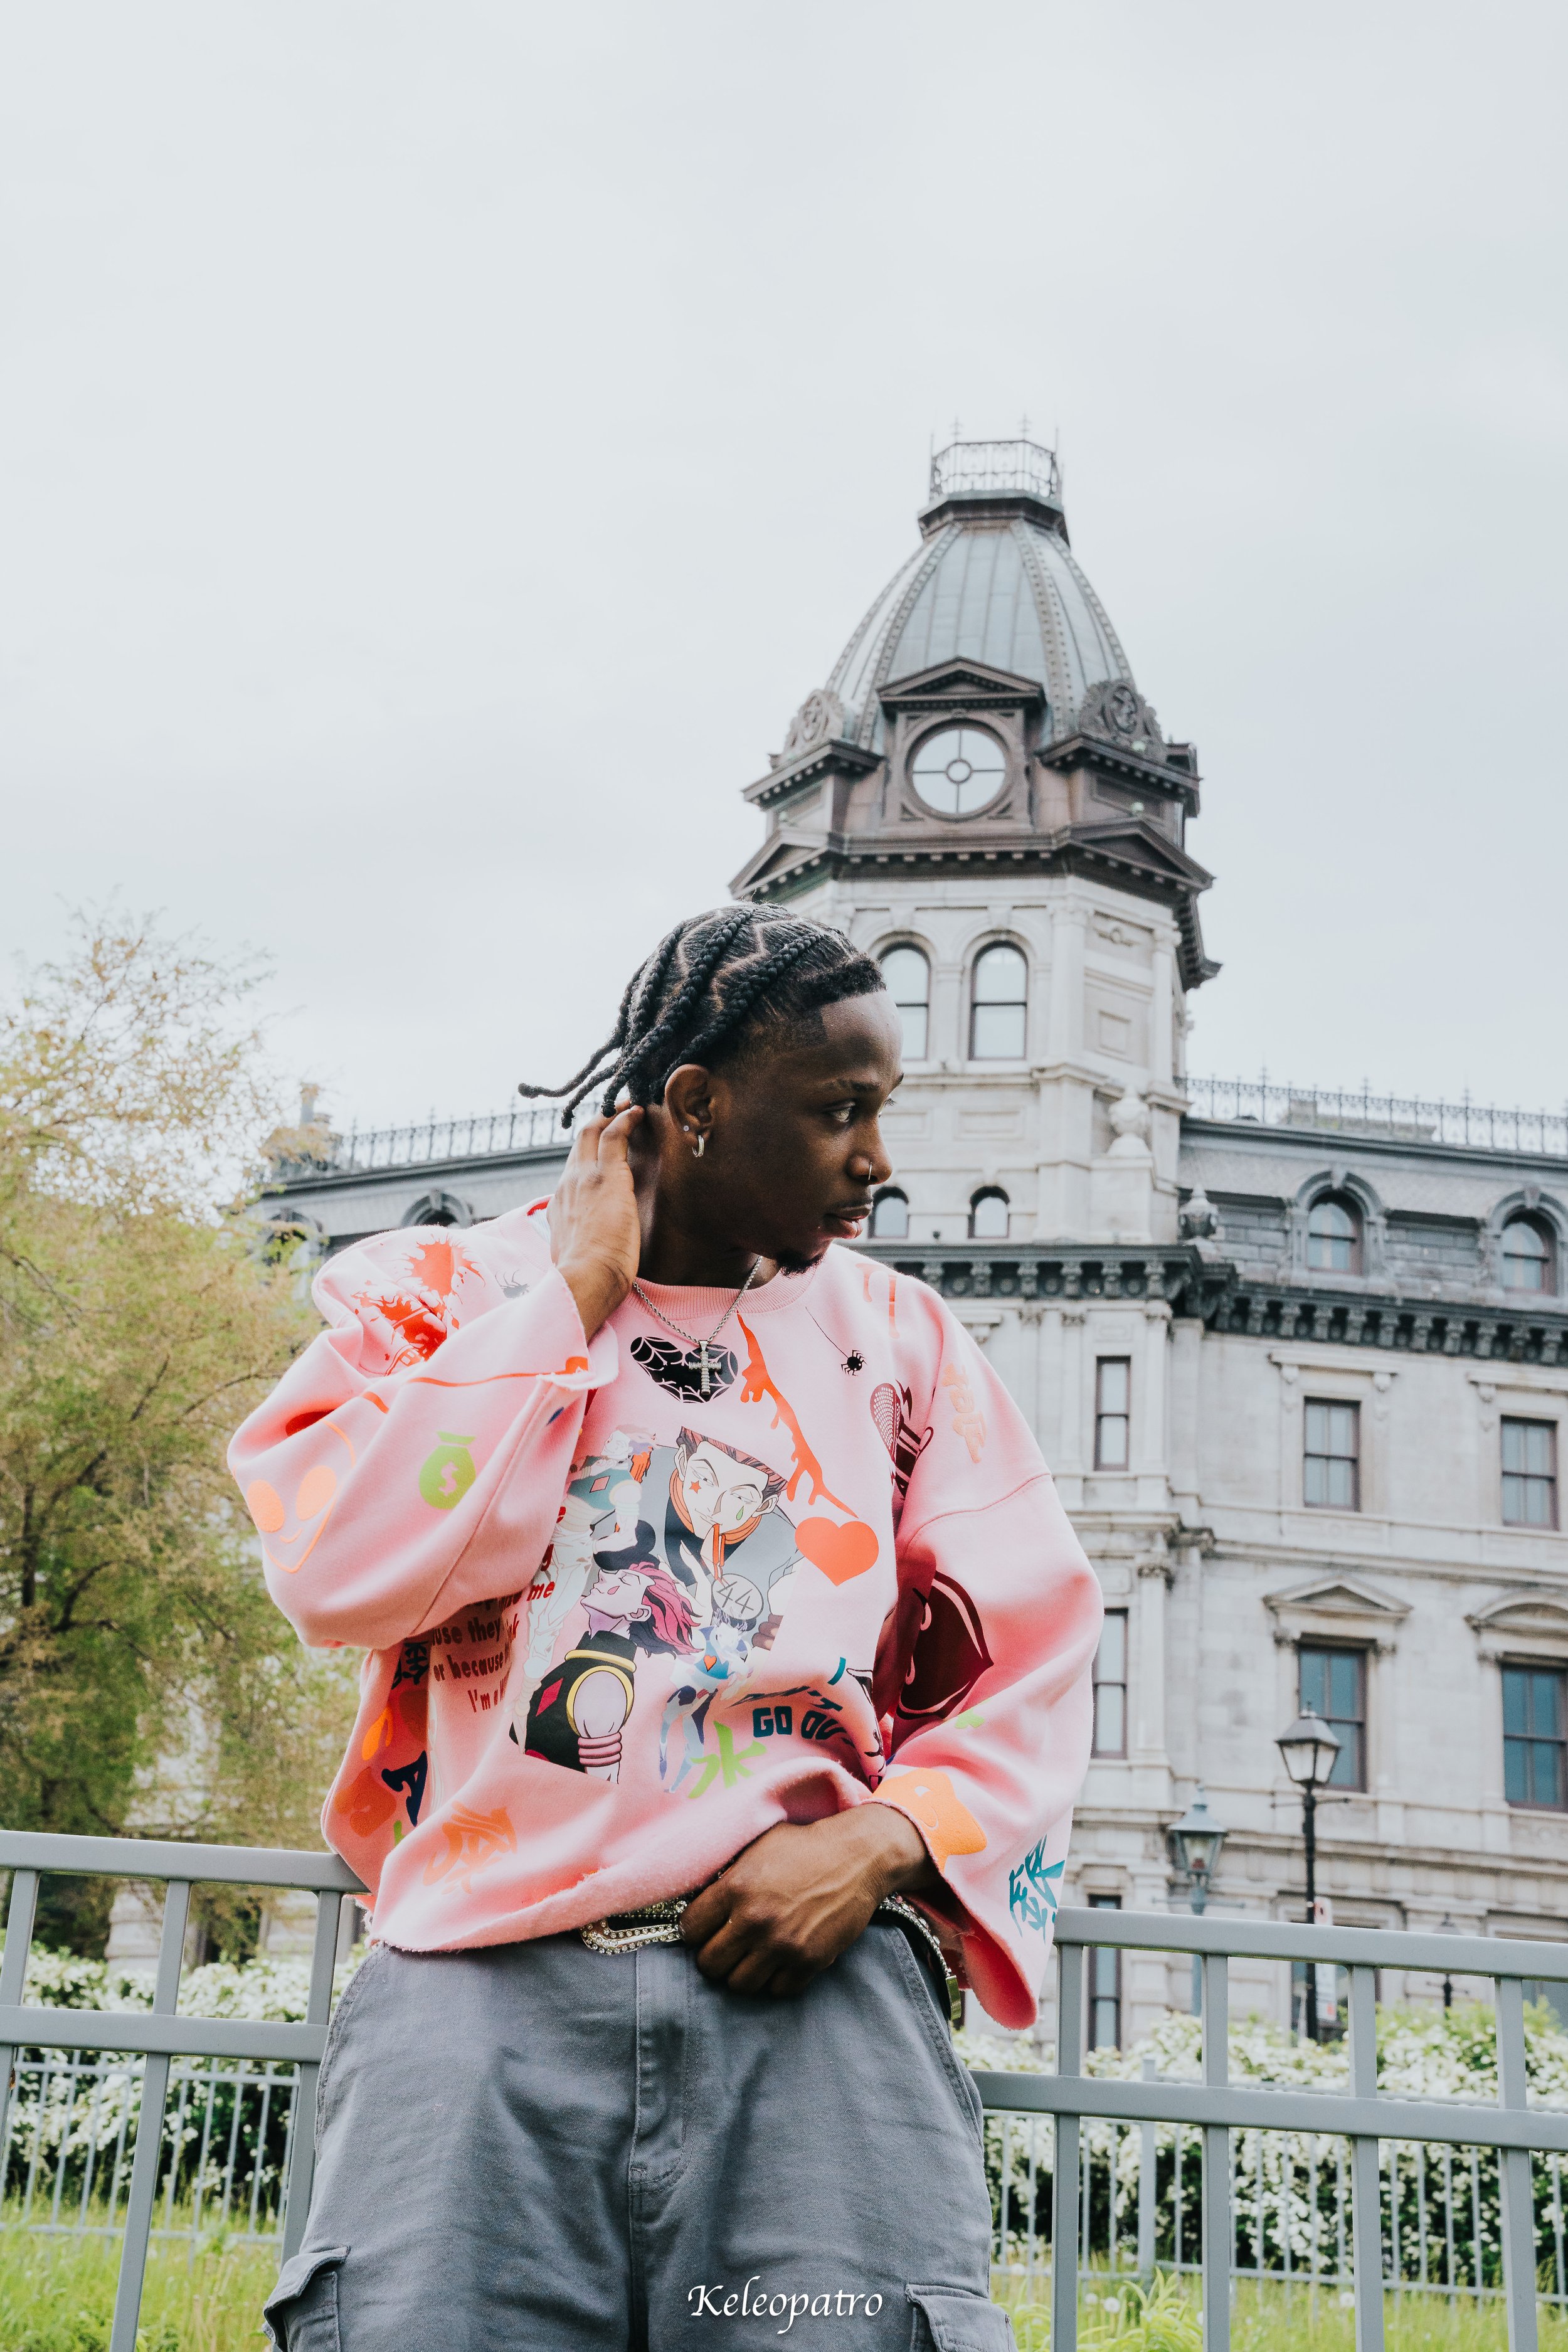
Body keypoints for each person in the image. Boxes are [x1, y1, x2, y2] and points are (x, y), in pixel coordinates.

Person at [233, 904, 1101, 2352]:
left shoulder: (903, 1344)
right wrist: (568, 1299)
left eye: (878, 1114)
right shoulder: (437, 1297)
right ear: (694, 1105)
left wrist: (883, 1843)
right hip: (472, 2004)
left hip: (811, 2006)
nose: (877, 1163)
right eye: (839, 1113)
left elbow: (1036, 1645)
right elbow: (340, 1571)